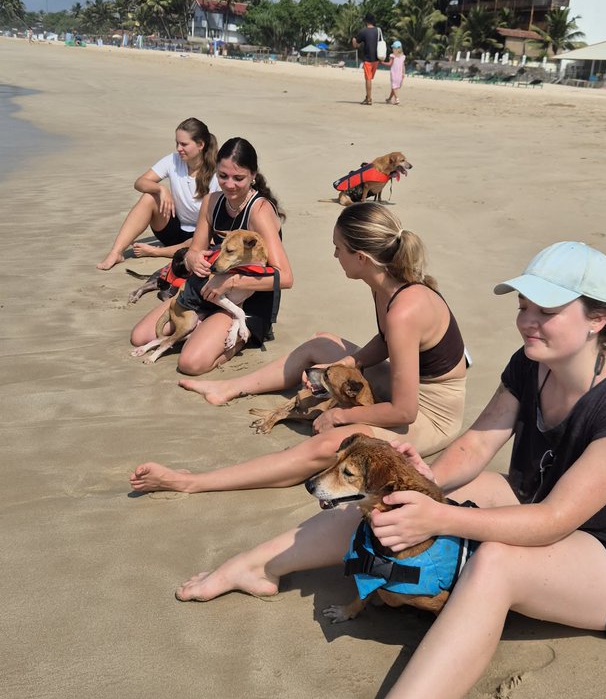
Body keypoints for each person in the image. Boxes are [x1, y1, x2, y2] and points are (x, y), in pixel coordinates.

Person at [172, 240, 606, 699]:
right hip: (540, 516)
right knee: (400, 494)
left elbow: (555, 520)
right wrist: (425, 482)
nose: (527, 320)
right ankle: (257, 565)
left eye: (547, 309)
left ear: (596, 319)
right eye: (524, 304)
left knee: (497, 564)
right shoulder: (531, 363)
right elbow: (476, 446)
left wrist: (442, 519)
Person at [130, 203, 467, 493]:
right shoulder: (386, 283)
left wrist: (340, 415)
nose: (334, 255)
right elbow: (385, 341)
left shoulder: (405, 309)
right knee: (321, 343)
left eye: (339, 248)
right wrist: (347, 362)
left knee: (329, 446)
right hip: (404, 383)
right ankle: (228, 388)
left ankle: (195, 482)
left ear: (361, 257)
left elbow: (404, 412)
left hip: (430, 414)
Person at [129, 137, 292, 376]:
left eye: (239, 178)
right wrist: (192, 259)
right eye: (223, 176)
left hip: (246, 300)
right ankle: (201, 330)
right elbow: (194, 250)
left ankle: (236, 338)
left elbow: (285, 277)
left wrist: (230, 281)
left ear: (253, 176)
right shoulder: (212, 201)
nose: (229, 184)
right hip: (207, 292)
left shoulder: (260, 211)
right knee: (139, 336)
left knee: (190, 364)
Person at [96, 118, 219, 270]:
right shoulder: (173, 160)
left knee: (205, 241)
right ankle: (116, 253)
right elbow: (140, 182)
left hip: (202, 238)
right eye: (177, 143)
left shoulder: (218, 172)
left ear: (200, 145)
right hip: (173, 230)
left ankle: (156, 251)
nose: (179, 148)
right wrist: (161, 189)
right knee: (149, 197)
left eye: (184, 144)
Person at [352, 13, 380, 106]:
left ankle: (369, 99)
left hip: (368, 59)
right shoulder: (378, 31)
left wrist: (354, 41)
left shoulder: (363, 31)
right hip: (377, 58)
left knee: (368, 79)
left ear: (366, 21)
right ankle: (367, 97)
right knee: (370, 78)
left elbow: (356, 44)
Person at [385, 40, 406, 105]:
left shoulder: (392, 56)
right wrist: (403, 73)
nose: (392, 49)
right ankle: (389, 99)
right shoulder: (403, 57)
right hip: (400, 74)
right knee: (394, 87)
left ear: (396, 49)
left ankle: (397, 99)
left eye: (393, 48)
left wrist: (382, 62)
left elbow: (389, 64)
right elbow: (403, 66)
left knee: (394, 87)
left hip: (394, 74)